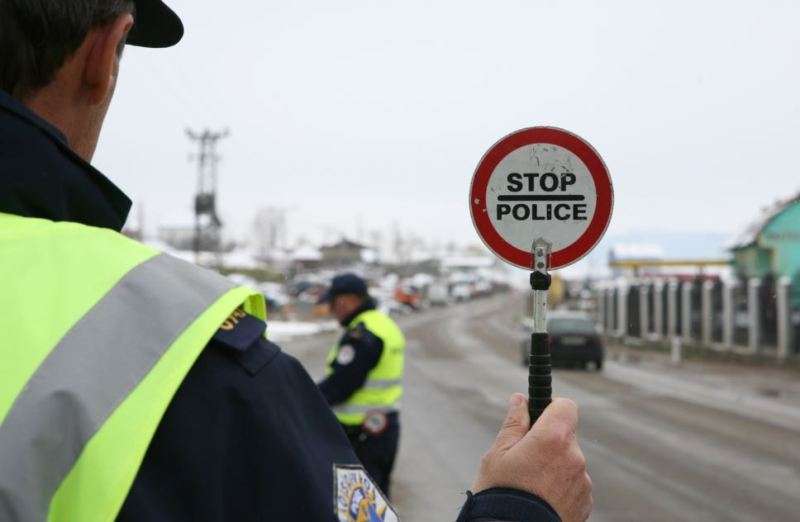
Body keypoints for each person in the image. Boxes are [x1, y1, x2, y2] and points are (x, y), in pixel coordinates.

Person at [0, 1, 592, 521]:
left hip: (375, 432)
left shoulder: (358, 332)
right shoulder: (180, 352)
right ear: (104, 54)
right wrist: (521, 510)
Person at [317, 273, 405, 498]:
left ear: (345, 301)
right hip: (381, 429)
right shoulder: (382, 323)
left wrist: (308, 399)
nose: (332, 310)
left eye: (333, 303)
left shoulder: (362, 333)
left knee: (359, 503)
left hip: (361, 435)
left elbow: (343, 383)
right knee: (376, 501)